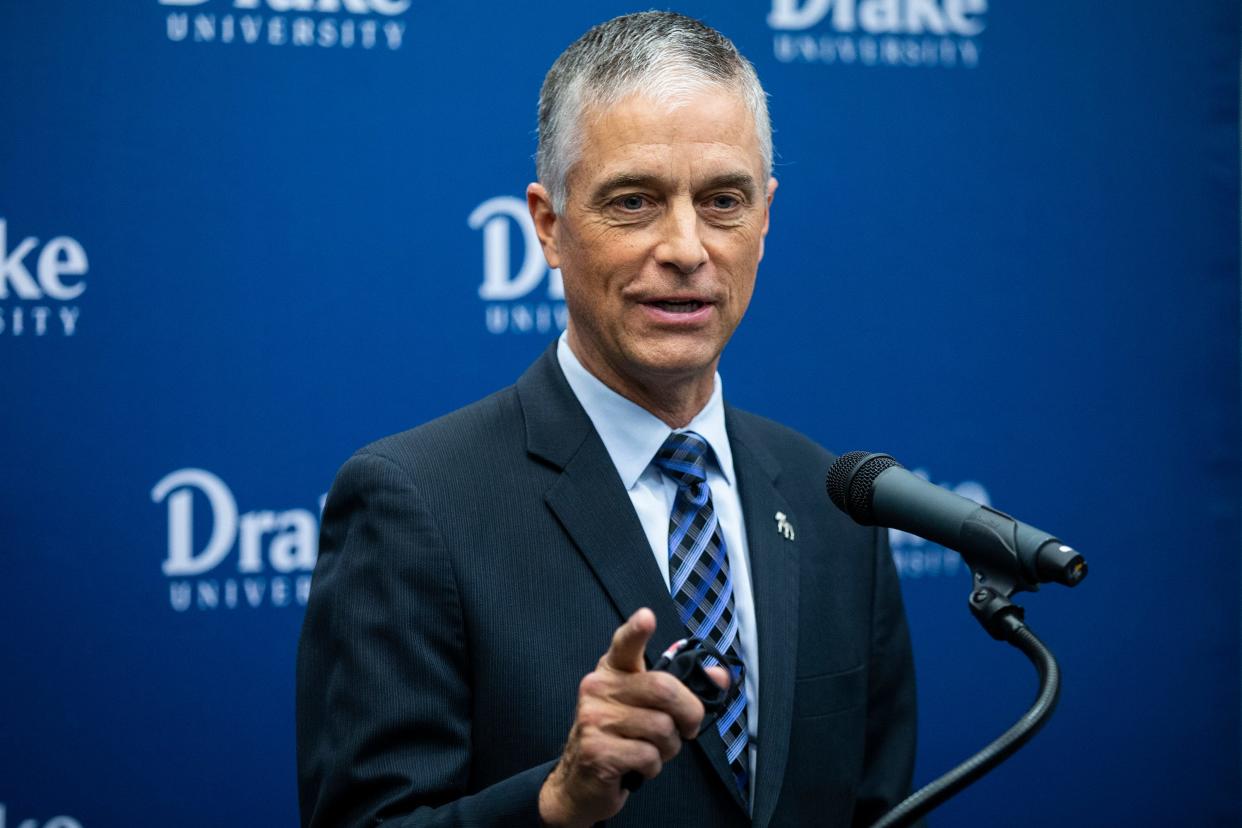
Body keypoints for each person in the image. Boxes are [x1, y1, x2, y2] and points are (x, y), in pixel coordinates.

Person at [296, 11, 916, 828]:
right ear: (548, 225)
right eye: (634, 202)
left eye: (723, 200)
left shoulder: (833, 502)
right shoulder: (415, 504)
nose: (688, 248)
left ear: (764, 218)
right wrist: (555, 802)